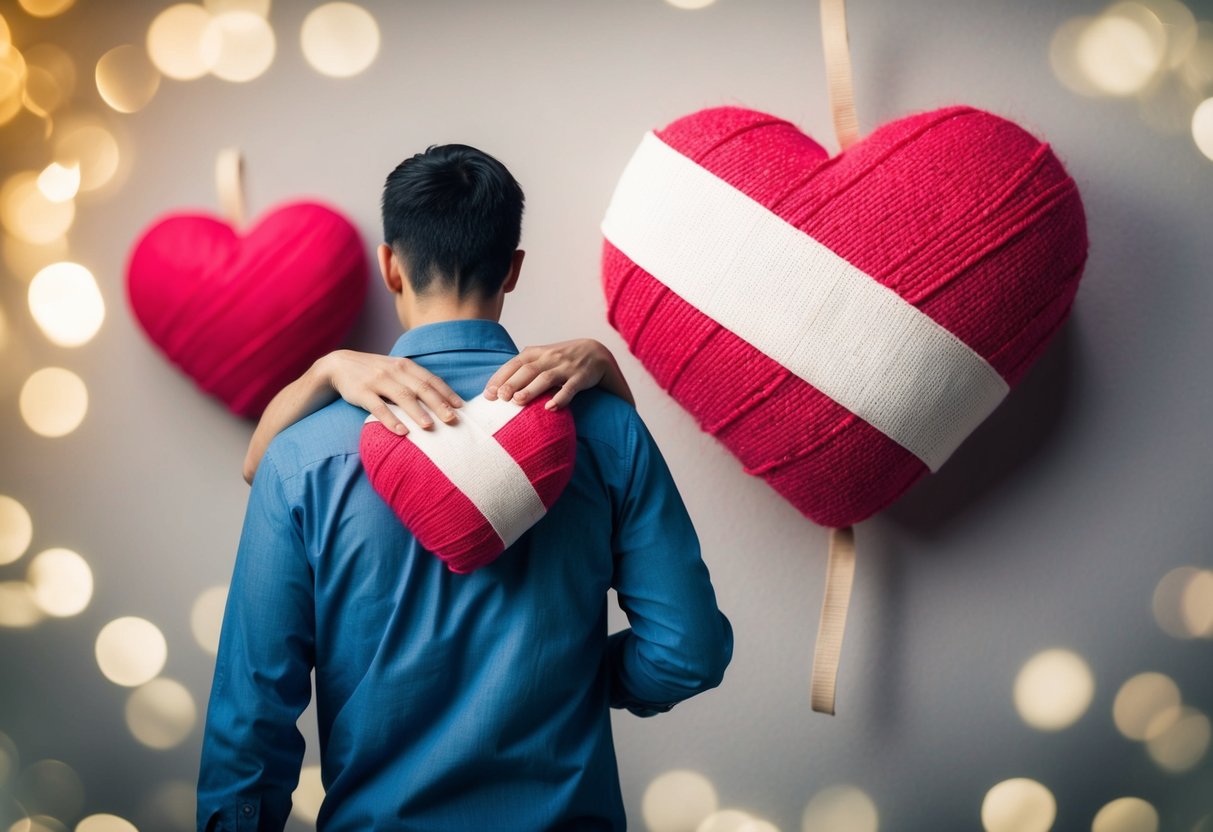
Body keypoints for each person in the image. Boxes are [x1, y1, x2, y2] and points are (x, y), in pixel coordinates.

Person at [197, 143, 733, 831]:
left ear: (389, 265)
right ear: (511, 270)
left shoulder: (302, 454)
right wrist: (575, 676)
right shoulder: (605, 429)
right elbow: (687, 652)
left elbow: (252, 707)